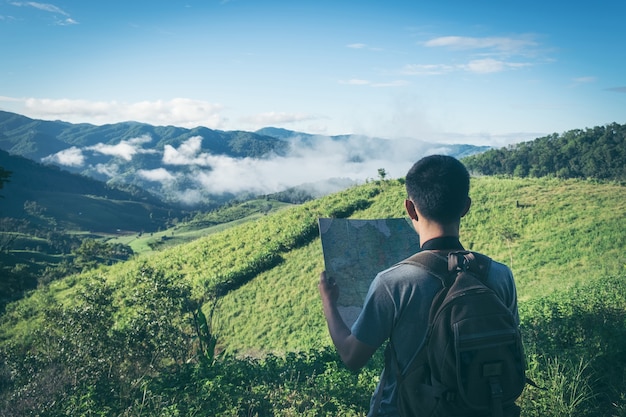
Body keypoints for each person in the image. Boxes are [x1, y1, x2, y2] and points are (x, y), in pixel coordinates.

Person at [319, 154, 519, 417]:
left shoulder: (392, 283)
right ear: (466, 207)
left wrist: (328, 303)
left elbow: (352, 356)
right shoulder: (499, 275)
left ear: (410, 208)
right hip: (481, 408)